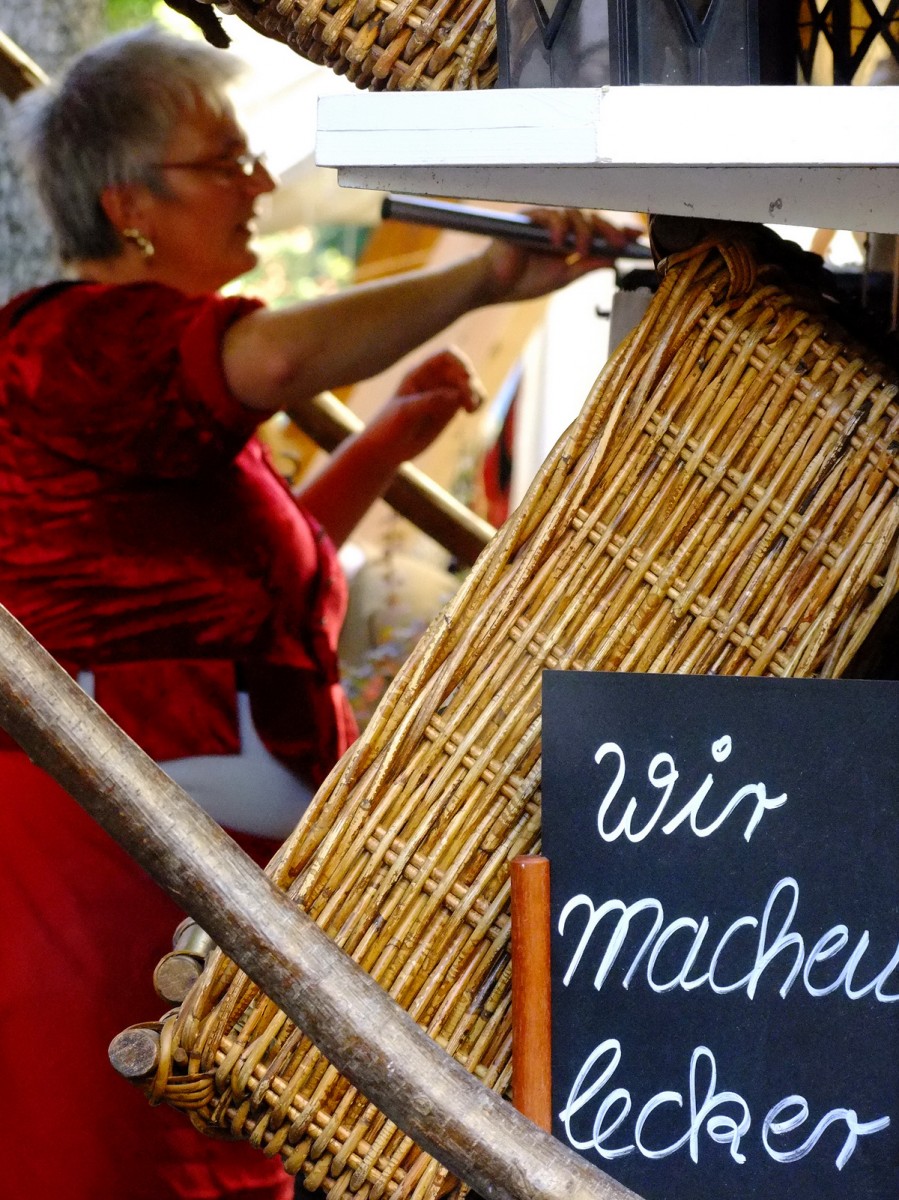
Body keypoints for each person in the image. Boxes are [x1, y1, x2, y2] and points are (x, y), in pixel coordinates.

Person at [0, 23, 638, 1200]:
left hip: (188, 838)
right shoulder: (83, 343)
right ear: (126, 203)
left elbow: (244, 593)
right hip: (104, 853)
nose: (256, 184)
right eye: (224, 160)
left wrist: (385, 446)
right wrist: (484, 276)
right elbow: (278, 364)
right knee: (132, 1154)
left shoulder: (146, 386)